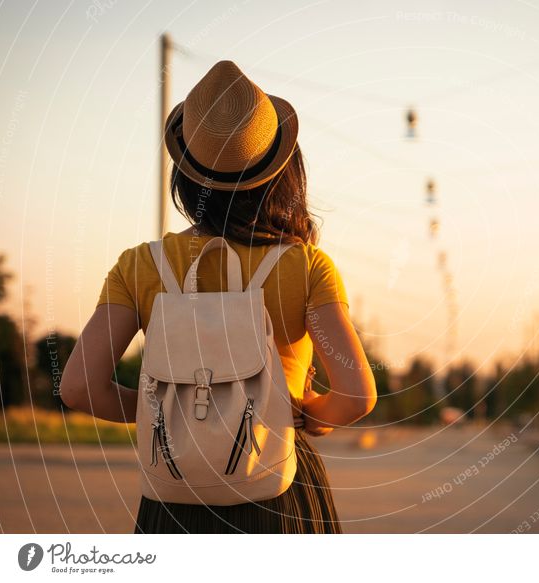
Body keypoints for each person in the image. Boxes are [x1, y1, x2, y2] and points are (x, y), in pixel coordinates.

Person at [60, 60, 377, 533]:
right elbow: (356, 395)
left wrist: (169, 412)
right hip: (277, 483)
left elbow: (80, 387)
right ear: (281, 172)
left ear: (186, 176)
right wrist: (307, 412)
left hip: (175, 486)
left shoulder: (140, 266)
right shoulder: (307, 266)